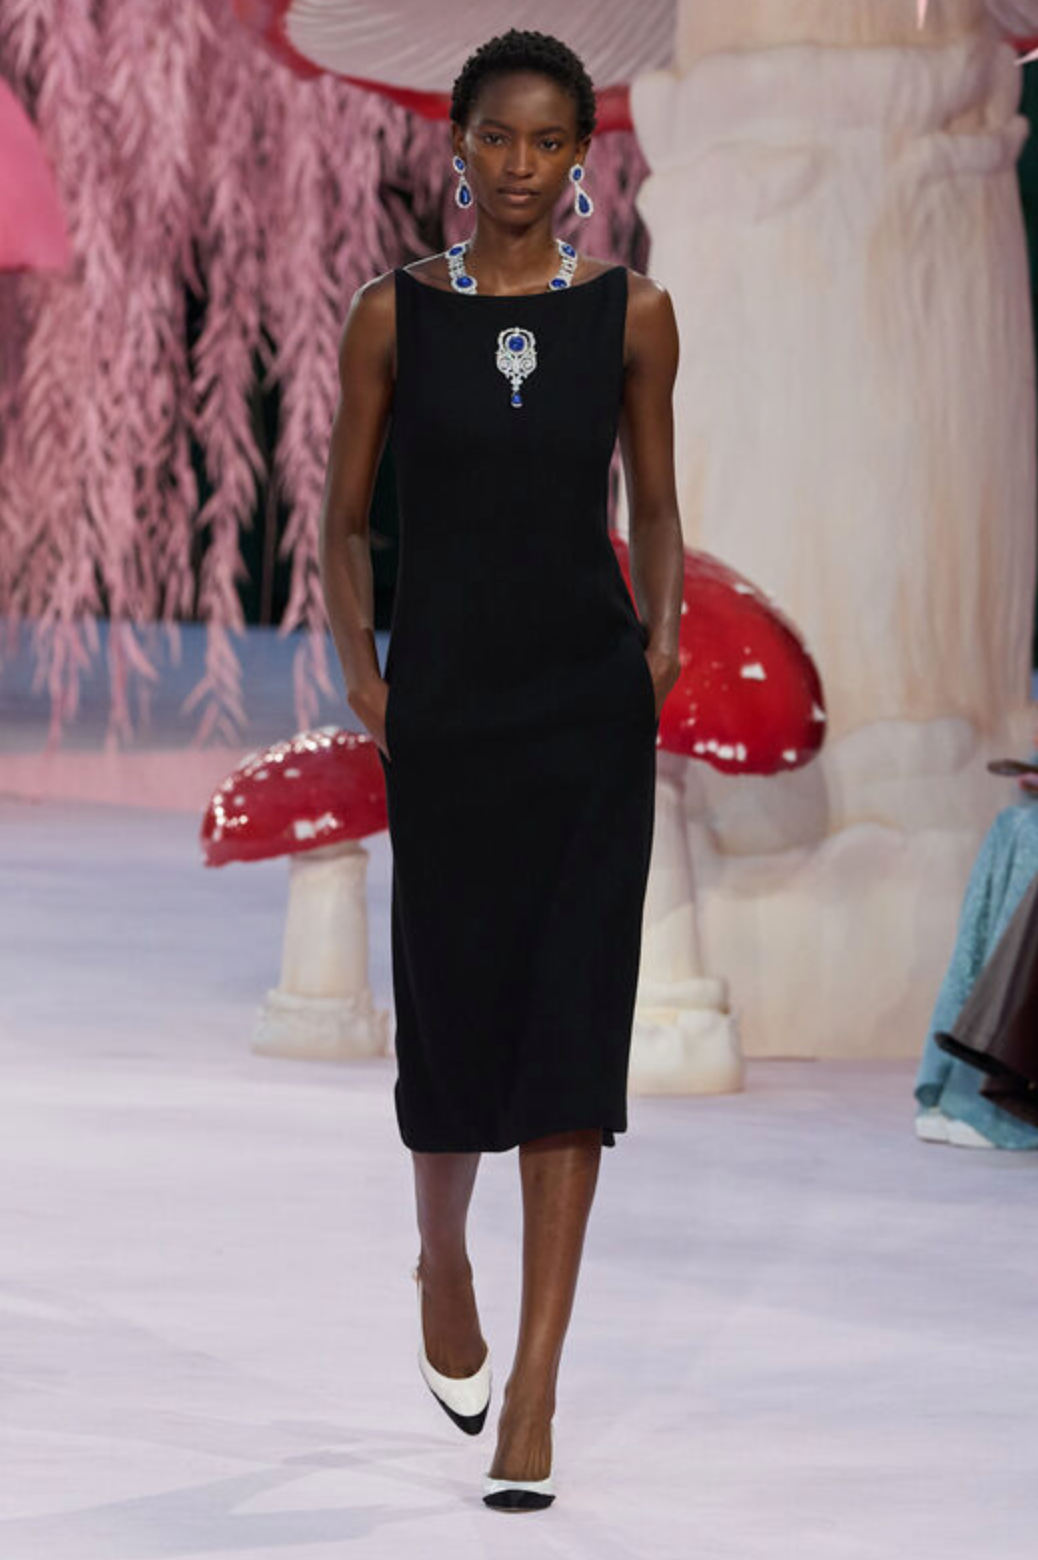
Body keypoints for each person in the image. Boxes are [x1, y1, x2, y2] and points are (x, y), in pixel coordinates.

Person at [318, 28, 684, 1511]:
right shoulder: (391, 316)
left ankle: (534, 1391)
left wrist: (656, 651)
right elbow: (344, 519)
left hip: (587, 721)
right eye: (497, 139)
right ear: (457, 146)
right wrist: (367, 680)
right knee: (455, 1020)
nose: (521, 166)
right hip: (451, 723)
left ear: (583, 157)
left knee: (570, 1040)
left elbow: (657, 506)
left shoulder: (632, 314)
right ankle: (441, 1256)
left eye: (549, 142)